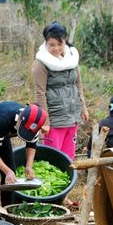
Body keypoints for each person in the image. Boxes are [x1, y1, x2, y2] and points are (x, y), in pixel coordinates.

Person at [0, 102, 48, 216]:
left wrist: (29, 166)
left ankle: (7, 211)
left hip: (1, 131)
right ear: (20, 120)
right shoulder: (5, 120)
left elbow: (31, 145)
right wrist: (7, 171)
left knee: (11, 170)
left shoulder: (34, 124)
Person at [32, 21, 89, 160]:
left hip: (72, 116)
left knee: (69, 157)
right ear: (46, 43)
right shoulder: (41, 63)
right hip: (55, 119)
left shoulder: (72, 59)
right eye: (52, 45)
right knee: (53, 158)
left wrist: (83, 108)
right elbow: (40, 93)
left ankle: (68, 182)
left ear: (65, 41)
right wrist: (45, 122)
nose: (56, 48)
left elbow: (78, 85)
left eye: (60, 44)